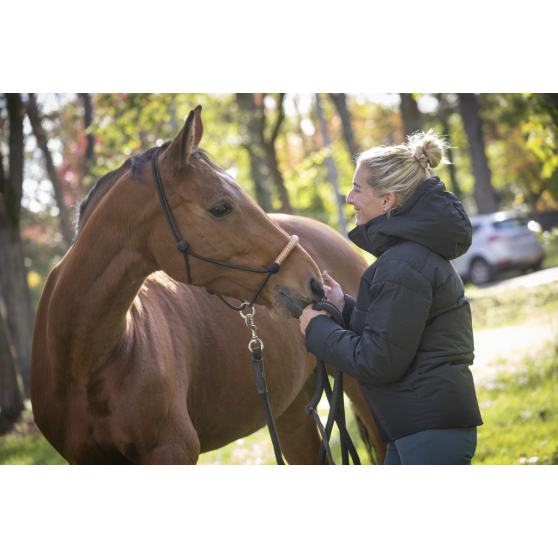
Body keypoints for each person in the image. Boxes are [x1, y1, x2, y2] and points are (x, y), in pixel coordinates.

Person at [299, 131, 483, 465]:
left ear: (387, 201)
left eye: (358, 189)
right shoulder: (406, 257)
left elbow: (378, 361)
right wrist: (344, 306)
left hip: (428, 431)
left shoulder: (402, 264)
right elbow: (397, 332)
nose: (350, 198)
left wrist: (317, 330)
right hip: (419, 427)